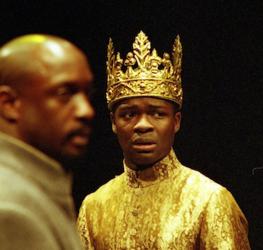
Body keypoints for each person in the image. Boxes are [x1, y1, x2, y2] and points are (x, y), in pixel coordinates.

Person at [77, 31, 250, 249]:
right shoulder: (94, 208)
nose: (142, 125)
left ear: (176, 121)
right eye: (129, 114)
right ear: (113, 122)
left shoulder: (208, 200)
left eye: (157, 113)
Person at [0, 34, 95, 249]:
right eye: (65, 93)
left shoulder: (36, 189)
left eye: (87, 94)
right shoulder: (12, 209)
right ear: (10, 104)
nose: (86, 111)